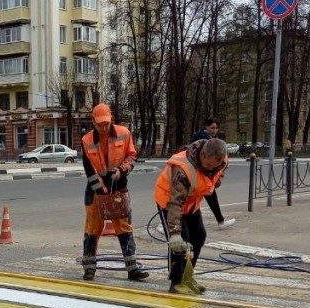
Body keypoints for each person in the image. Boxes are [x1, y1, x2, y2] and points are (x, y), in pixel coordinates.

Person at [80, 103, 149, 282]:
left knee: (124, 227)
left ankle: (132, 268)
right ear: (93, 122)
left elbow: (132, 156)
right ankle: (89, 268)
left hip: (118, 186)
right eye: (99, 124)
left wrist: (122, 170)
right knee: (92, 228)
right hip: (96, 189)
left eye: (106, 123)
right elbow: (89, 169)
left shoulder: (124, 133)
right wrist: (103, 191)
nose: (103, 127)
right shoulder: (87, 140)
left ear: (111, 119)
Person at [154, 137, 230, 295]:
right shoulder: (183, 169)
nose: (211, 169)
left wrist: (215, 181)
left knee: (199, 235)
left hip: (191, 201)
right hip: (169, 199)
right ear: (202, 154)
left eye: (215, 166)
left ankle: (187, 277)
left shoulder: (221, 162)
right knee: (181, 240)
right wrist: (174, 232)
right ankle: (176, 282)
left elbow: (217, 176)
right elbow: (175, 202)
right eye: (208, 165)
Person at [189, 117, 235, 229]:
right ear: (206, 126)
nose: (214, 130)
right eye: (212, 127)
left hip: (203, 174)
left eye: (216, 128)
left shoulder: (205, 138)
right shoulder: (203, 138)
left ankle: (220, 221)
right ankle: (220, 221)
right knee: (199, 198)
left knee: (206, 197)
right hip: (201, 174)